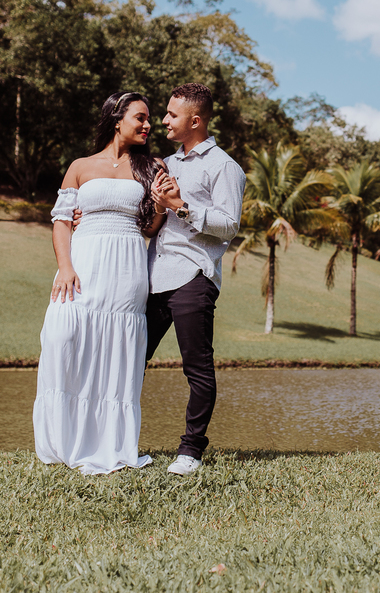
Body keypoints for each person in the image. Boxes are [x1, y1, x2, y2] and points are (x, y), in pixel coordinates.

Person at [32, 91, 166, 475]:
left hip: (126, 267)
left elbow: (150, 226)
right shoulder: (80, 166)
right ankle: (64, 439)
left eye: (150, 119)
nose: (148, 125)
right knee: (63, 338)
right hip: (83, 263)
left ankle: (110, 442)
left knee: (115, 351)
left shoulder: (151, 166)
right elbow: (61, 221)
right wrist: (66, 266)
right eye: (140, 117)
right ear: (116, 118)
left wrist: (159, 204)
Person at [146, 83, 245, 475]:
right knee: (131, 362)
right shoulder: (166, 163)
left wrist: (181, 207)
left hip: (193, 277)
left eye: (172, 114)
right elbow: (155, 222)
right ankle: (116, 441)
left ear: (195, 120)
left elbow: (229, 226)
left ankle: (190, 452)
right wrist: (157, 206)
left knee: (197, 369)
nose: (164, 120)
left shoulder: (224, 166)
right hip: (152, 278)